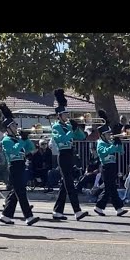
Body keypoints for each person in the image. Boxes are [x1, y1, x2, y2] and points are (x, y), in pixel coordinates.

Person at [50, 89, 89, 221]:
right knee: (69, 184)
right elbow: (61, 140)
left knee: (65, 184)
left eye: (67, 114)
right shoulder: (56, 127)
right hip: (63, 155)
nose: (67, 116)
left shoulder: (68, 126)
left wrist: (76, 127)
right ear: (59, 116)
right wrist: (71, 130)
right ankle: (77, 211)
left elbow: (82, 137)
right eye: (65, 114)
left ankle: (57, 211)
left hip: (70, 154)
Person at [0, 103, 39, 226]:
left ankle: (6, 215)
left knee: (15, 194)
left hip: (21, 166)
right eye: (14, 125)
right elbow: (14, 150)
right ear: (8, 128)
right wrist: (21, 140)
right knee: (21, 193)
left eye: (16, 125)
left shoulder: (17, 139)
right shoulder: (6, 140)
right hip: (14, 167)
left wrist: (27, 139)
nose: (16, 127)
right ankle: (28, 217)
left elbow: (31, 149)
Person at [94, 119, 128, 217]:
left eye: (110, 134)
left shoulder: (109, 142)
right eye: (107, 134)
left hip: (112, 166)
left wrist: (119, 142)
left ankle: (118, 209)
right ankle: (100, 206)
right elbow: (105, 151)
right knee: (109, 188)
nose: (110, 136)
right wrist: (113, 144)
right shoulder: (100, 143)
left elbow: (121, 152)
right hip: (106, 167)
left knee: (112, 188)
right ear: (102, 135)